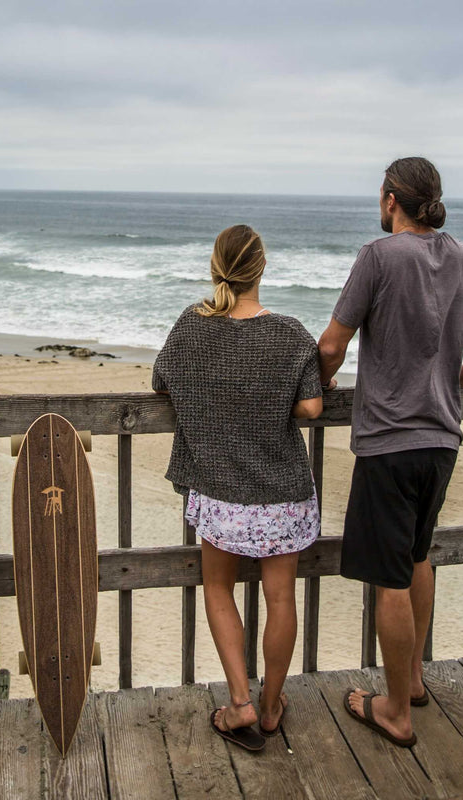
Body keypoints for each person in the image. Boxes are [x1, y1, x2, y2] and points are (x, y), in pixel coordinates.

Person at [318, 157, 463, 748]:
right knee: (417, 556)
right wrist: (455, 379)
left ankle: (395, 712)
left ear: (390, 200)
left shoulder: (377, 258)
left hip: (388, 440)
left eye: (380, 196)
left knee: (390, 579)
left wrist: (321, 384)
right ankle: (415, 681)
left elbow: (332, 343)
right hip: (442, 439)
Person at [153, 224, 323, 751]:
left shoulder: (192, 326)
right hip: (283, 491)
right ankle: (272, 706)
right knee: (280, 598)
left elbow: (163, 380)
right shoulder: (292, 334)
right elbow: (313, 407)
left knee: (219, 589)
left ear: (216, 267)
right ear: (262, 269)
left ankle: (240, 701)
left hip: (221, 491)